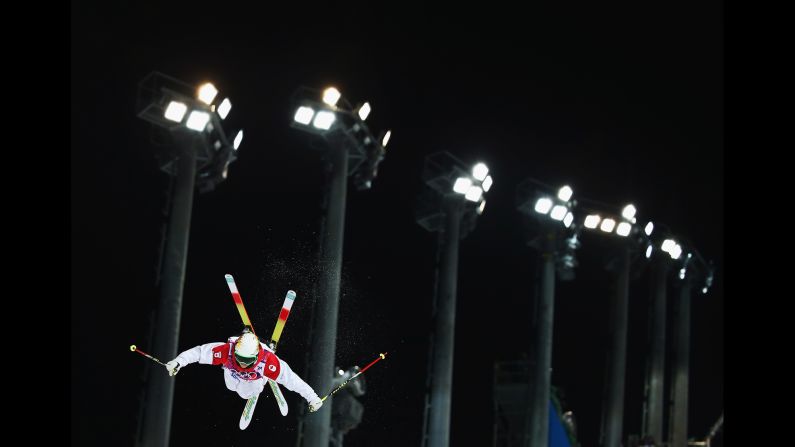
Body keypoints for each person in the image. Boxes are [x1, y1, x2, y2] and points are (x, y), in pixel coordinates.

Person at [165, 327, 323, 412]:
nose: (242, 363)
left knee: (246, 393)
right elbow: (199, 353)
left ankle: (262, 381)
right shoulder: (226, 351)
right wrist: (178, 362)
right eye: (239, 358)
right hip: (232, 376)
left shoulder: (269, 363)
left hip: (253, 379)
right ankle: (257, 379)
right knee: (231, 386)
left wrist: (312, 398)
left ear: (255, 357)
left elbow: (294, 381)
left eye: (246, 360)